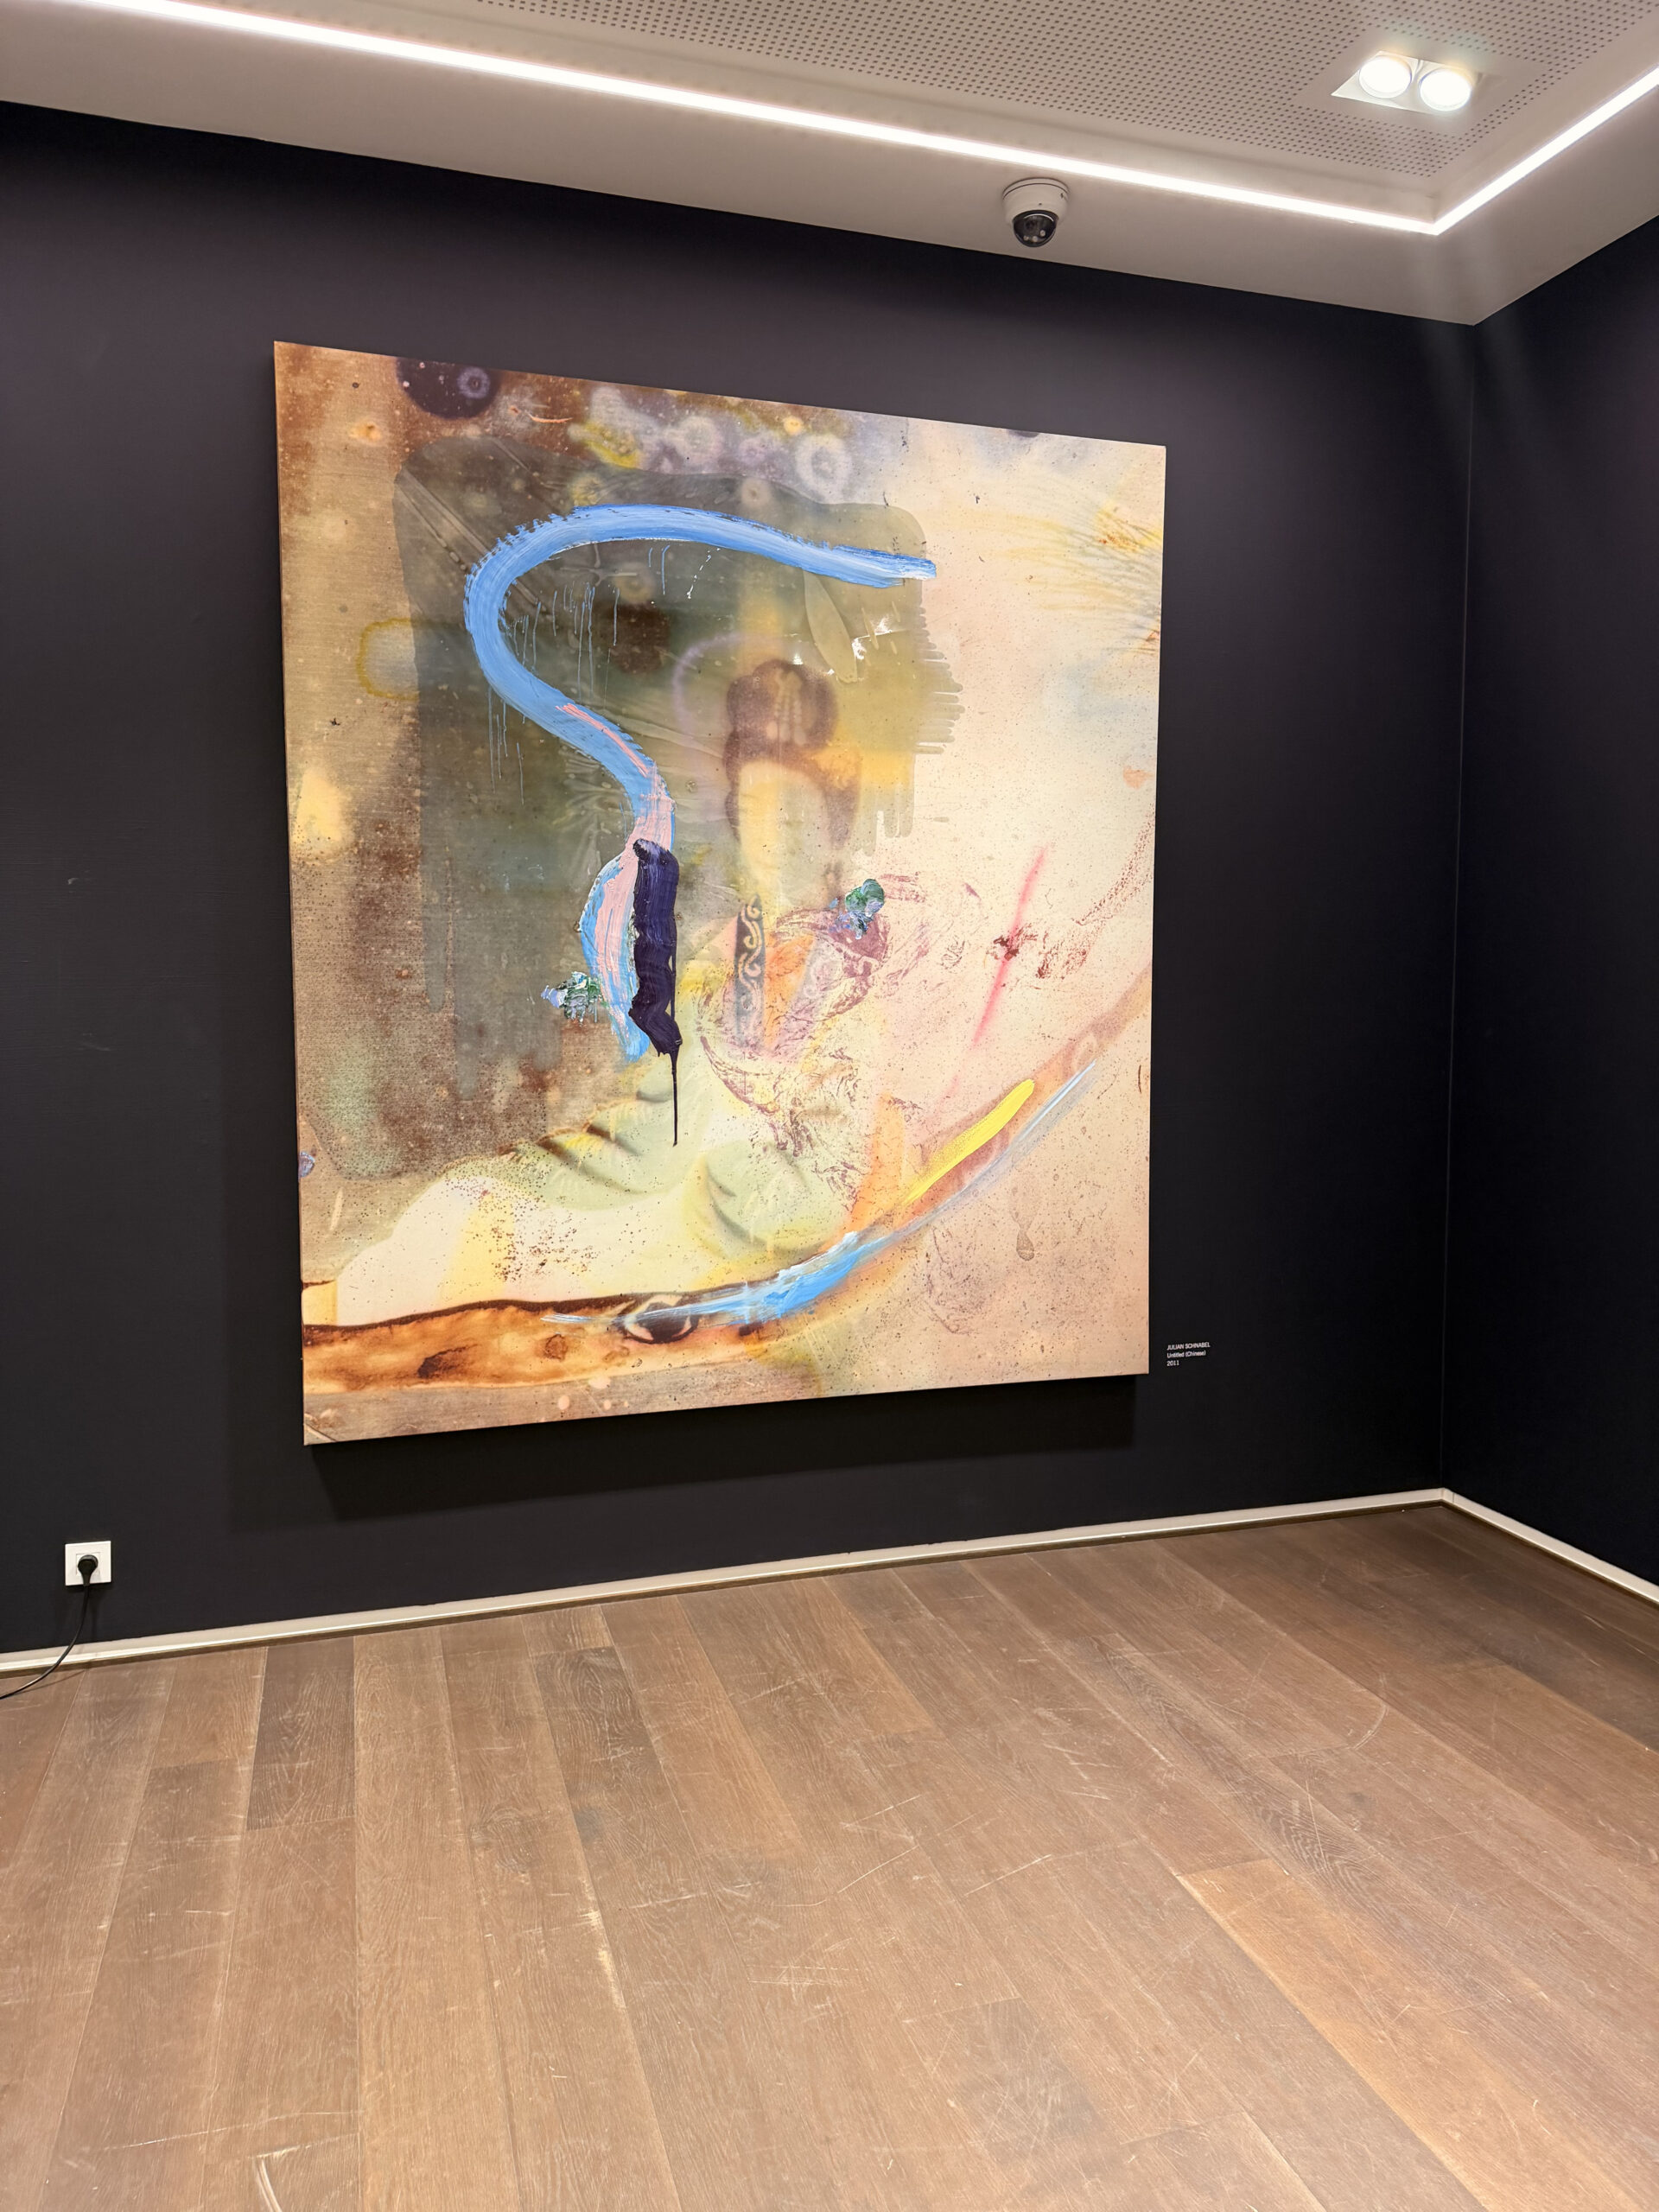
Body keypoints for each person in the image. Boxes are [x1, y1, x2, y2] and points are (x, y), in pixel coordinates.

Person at [310, 661, 902, 1325]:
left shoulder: (852, 971)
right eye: (759, 810)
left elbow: (826, 1177)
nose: (776, 836)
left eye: (796, 812)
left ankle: (352, 1316)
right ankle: (336, 1311)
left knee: (493, 1255)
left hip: (734, 1215)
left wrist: (709, 1185)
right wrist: (573, 1164)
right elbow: (660, 1112)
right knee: (469, 1199)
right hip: (663, 1174)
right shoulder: (725, 951)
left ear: (834, 826)